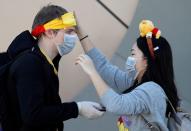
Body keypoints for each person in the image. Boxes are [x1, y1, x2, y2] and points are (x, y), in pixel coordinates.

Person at [4, 4, 104, 131]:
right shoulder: (30, 63)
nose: (73, 37)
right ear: (50, 32)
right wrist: (77, 109)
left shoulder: (47, 62)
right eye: (69, 32)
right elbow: (33, 115)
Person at [76, 19, 180, 130]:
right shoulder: (136, 83)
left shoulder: (151, 91)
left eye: (133, 54)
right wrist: (79, 31)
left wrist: (92, 72)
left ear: (146, 60)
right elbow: (104, 67)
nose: (130, 58)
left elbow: (115, 104)